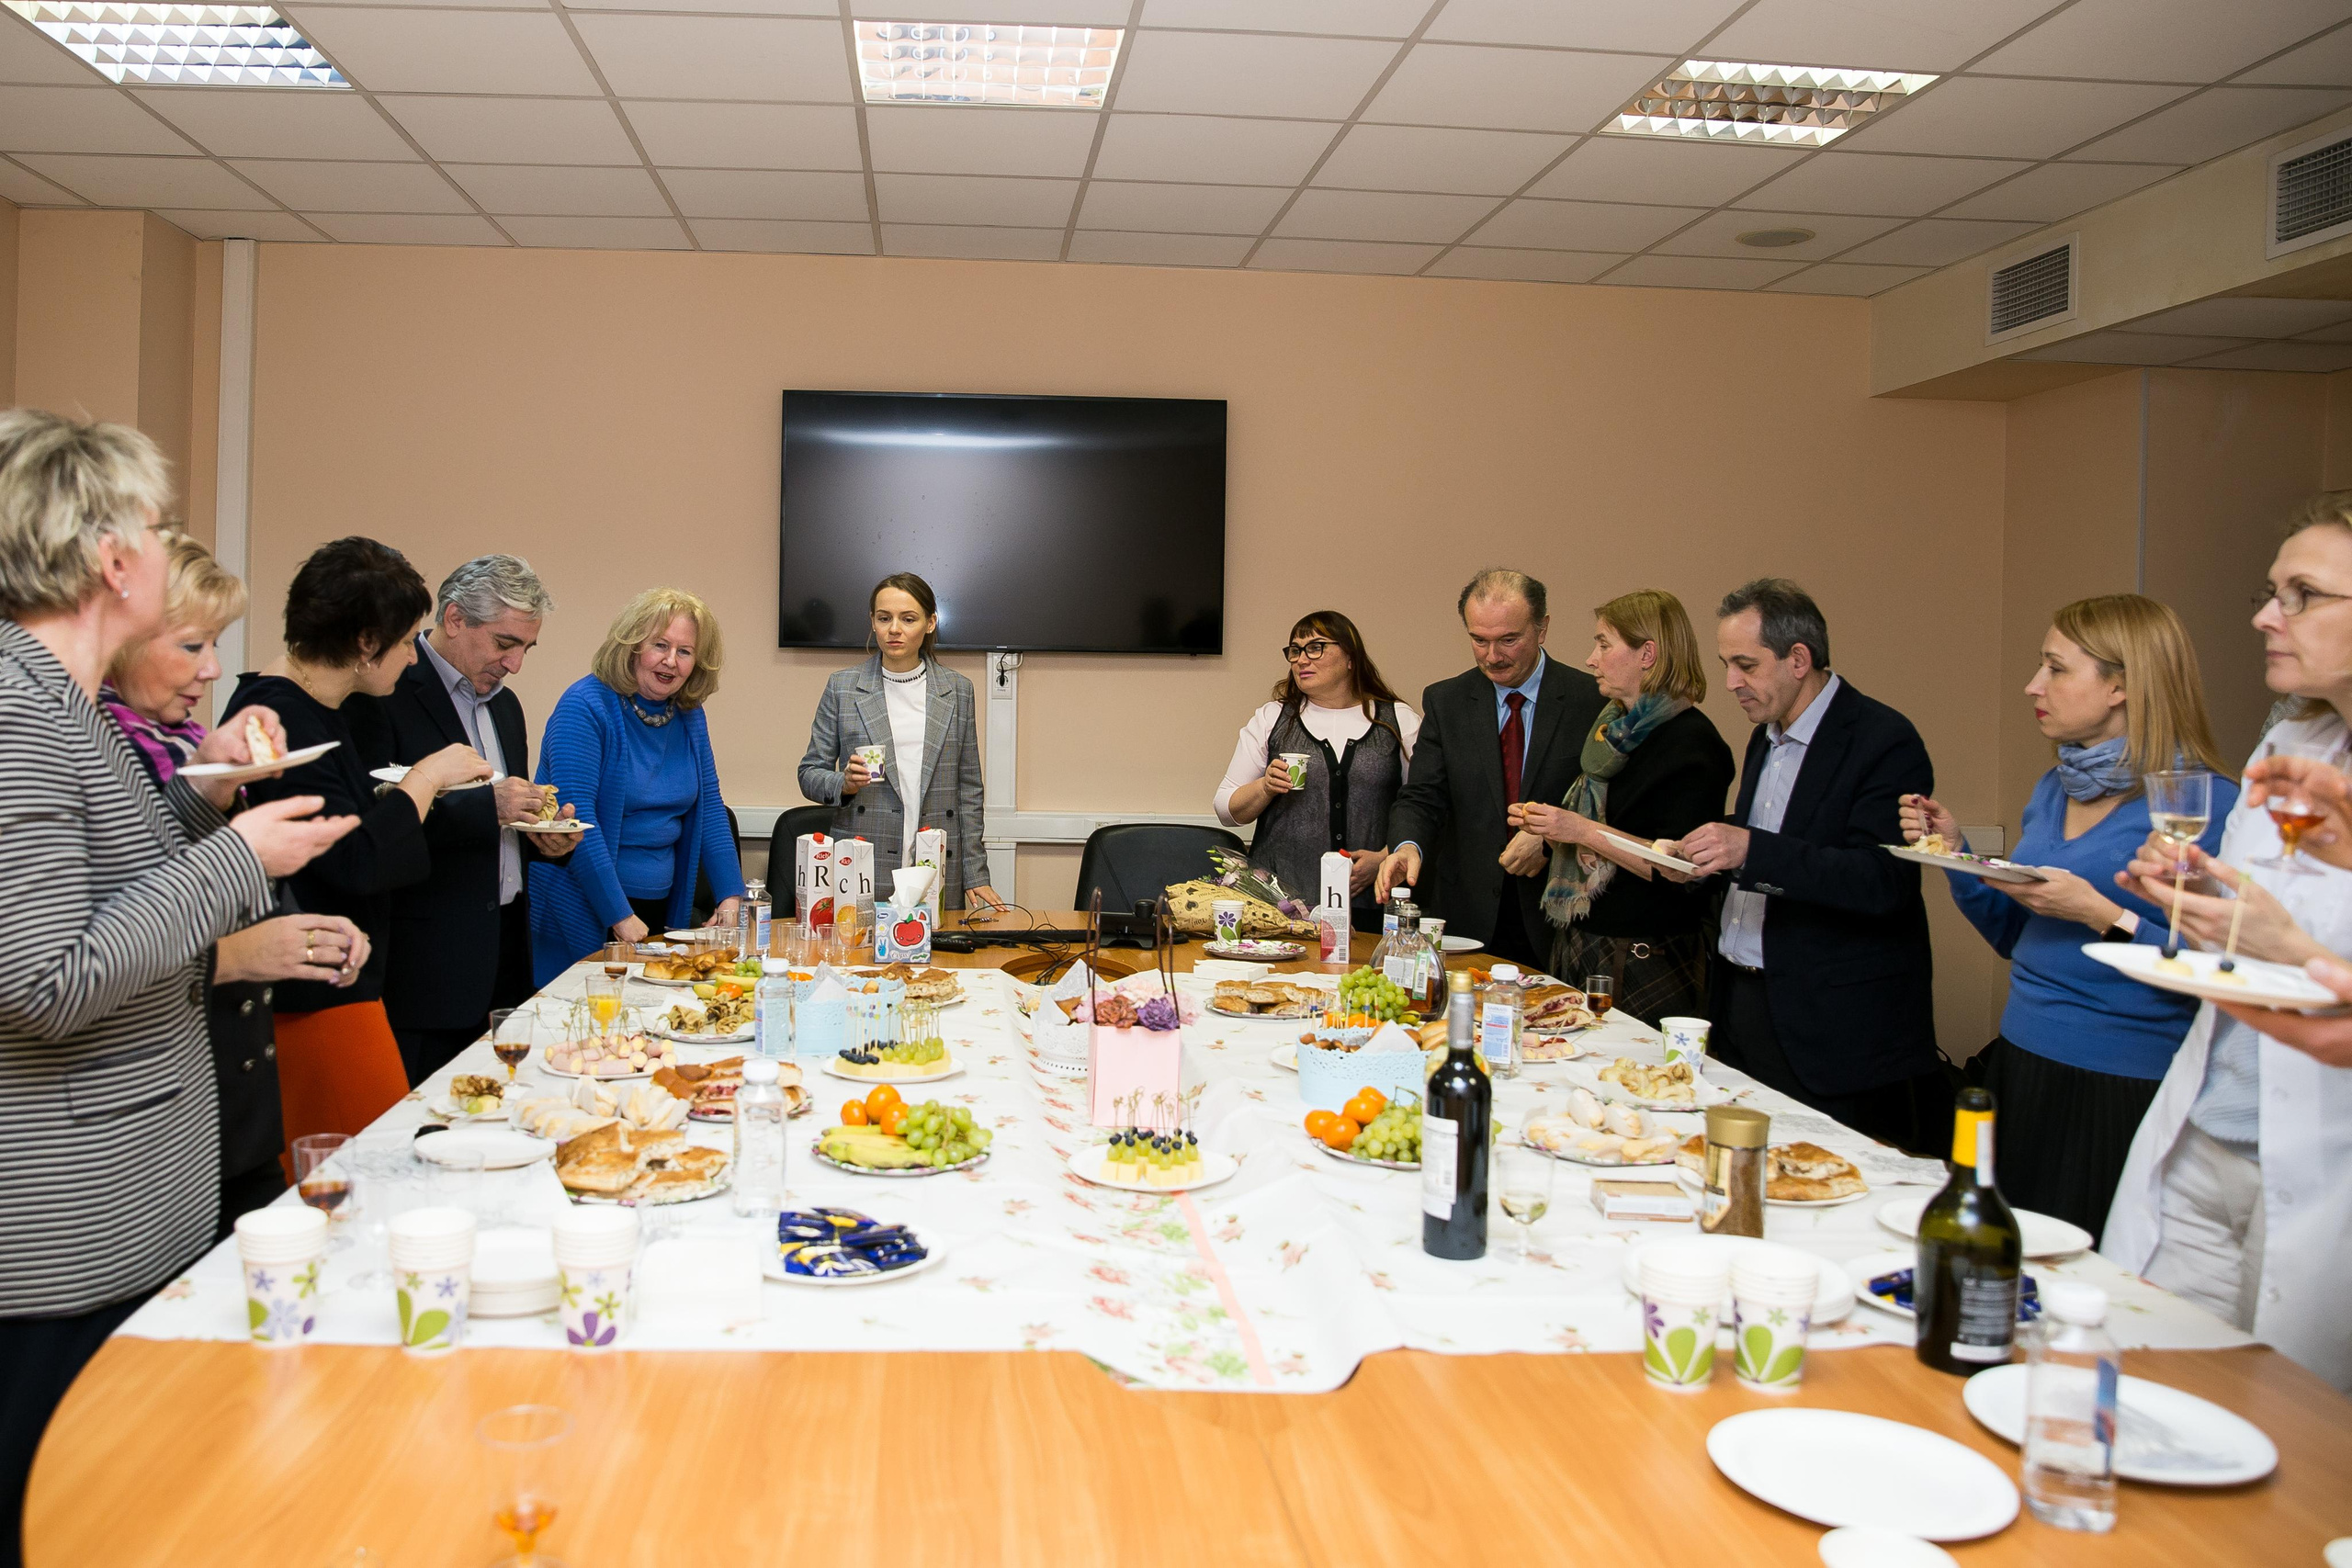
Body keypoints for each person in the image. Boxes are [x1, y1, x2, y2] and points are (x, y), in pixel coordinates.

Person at [0, 411, 354, 1567]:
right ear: (112, 559)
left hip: (136, 1194)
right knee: (64, 1515)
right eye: (156, 529)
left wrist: (206, 801)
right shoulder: (18, 711)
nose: (167, 548)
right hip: (67, 1225)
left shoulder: (65, 703)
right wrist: (238, 858)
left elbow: (120, 883)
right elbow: (45, 979)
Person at [2101, 494, 2352, 1392]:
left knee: (2291, 1430)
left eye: (2302, 595)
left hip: (2320, 1163)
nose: (2265, 617)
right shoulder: (2291, 740)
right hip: (2205, 1134)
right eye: (2270, 592)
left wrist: (2284, 943)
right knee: (2150, 1395)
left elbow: (2291, 936)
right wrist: (2194, 892)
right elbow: (2251, 910)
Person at [1899, 595, 2234, 1241]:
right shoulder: (2054, 788)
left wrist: (2103, 914)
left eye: (2055, 668)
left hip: (2123, 1081)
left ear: (2120, 685)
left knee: (2087, 1271)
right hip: (2022, 1064)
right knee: (2000, 1257)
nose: (2034, 685)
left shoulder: (2203, 806)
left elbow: (2218, 970)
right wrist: (1957, 855)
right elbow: (2015, 936)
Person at [100, 531, 374, 1231]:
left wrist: (299, 930)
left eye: (215, 643)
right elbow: (101, 947)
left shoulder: (180, 743)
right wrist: (246, 952)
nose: (215, 668)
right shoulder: (90, 750)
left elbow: (202, 894)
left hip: (231, 1102)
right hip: (146, 1123)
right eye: (193, 645)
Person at [223, 537, 493, 1154]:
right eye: (406, 642)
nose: (413, 657)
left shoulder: (318, 707)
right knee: (368, 1166)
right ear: (367, 643)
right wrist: (427, 777)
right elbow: (355, 859)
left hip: (337, 982)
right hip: (312, 996)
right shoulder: (277, 715)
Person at [1668, 578, 1945, 1152]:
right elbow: (1777, 847)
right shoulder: (1764, 737)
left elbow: (1883, 880)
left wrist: (1748, 850)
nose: (1730, 683)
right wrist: (1703, 860)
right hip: (1742, 1005)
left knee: (1815, 1183)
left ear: (1799, 659)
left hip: (1830, 1028)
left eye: (1745, 665)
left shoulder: (1882, 739)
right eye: (1726, 665)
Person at [354, 555, 575, 1085]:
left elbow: (500, 827)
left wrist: (541, 839)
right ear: (455, 619)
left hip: (506, 958)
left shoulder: (506, 708)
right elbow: (376, 825)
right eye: (505, 643)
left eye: (526, 648)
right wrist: (488, 807)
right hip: (425, 971)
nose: (515, 664)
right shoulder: (386, 693)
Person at [1509, 589, 1733, 1022]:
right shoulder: (1611, 733)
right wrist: (1548, 827)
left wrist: (1578, 830)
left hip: (1645, 956)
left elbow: (1680, 869)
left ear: (1647, 654)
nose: (1591, 659)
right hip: (1584, 943)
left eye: (1604, 644)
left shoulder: (1693, 744)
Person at [1377, 569, 1604, 966]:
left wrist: (1551, 841)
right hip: (1468, 914)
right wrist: (1407, 846)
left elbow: (1606, 804)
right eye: (1479, 640)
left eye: (1508, 640)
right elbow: (1422, 796)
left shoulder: (1591, 700)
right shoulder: (1447, 701)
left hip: (1558, 917)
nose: (1492, 656)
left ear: (1542, 628)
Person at [533, 587, 747, 982]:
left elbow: (711, 808)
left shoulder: (689, 713)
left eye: (685, 651)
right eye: (660, 645)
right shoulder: (584, 705)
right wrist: (620, 916)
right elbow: (576, 822)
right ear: (631, 646)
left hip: (659, 910)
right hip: (584, 906)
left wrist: (730, 897)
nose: (671, 661)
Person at [797, 572, 1002, 914]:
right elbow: (809, 773)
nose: (894, 629)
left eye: (908, 619)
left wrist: (975, 871)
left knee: (936, 949)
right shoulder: (843, 687)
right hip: (861, 859)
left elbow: (969, 788)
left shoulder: (957, 690)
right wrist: (843, 783)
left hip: (936, 858)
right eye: (884, 618)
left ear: (930, 623)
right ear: (872, 622)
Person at [1213, 610, 1419, 927]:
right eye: (1295, 651)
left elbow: (1424, 806)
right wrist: (1265, 787)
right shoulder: (1272, 718)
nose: (1301, 659)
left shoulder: (1398, 720)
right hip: (1281, 908)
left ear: (1350, 657)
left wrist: (1384, 856)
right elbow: (1226, 810)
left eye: (1315, 648)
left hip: (1371, 906)